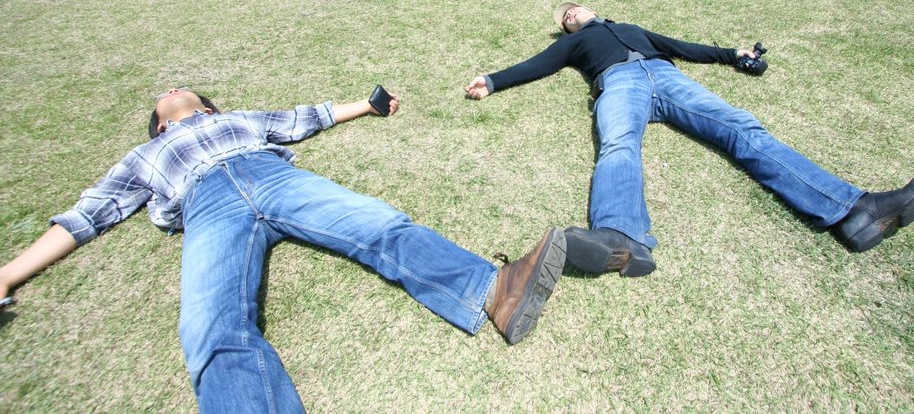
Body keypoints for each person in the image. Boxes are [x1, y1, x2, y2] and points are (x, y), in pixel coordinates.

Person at [0, 87, 566, 412]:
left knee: (378, 225)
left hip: (272, 176)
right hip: (206, 204)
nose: (174, 91)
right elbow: (87, 216)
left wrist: (368, 106)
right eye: (166, 98)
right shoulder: (140, 157)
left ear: (207, 107)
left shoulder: (239, 119)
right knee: (210, 327)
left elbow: (303, 120)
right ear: (157, 125)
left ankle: (493, 290)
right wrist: (7, 274)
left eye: (186, 91)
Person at [464, 1, 914, 276]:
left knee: (740, 127)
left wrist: (734, 55)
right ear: (566, 28)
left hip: (667, 78)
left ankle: (854, 211)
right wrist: (492, 79)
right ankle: (620, 238)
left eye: (576, 8)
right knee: (618, 146)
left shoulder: (629, 27)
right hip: (618, 84)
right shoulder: (571, 44)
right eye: (567, 16)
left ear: (594, 8)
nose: (573, 14)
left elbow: (679, 47)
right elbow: (538, 65)